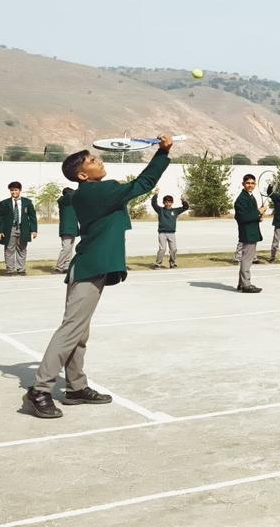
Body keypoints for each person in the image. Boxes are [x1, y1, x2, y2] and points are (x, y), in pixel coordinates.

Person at [24, 136, 172, 419]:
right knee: (71, 330)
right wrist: (162, 153)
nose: (99, 160)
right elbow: (143, 184)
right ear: (82, 175)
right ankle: (39, 390)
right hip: (89, 268)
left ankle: (76, 388)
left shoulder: (88, 193)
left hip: (92, 267)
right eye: (92, 160)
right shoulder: (99, 191)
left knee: (80, 333)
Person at [0, 181, 38, 275]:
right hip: (10, 229)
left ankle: (21, 270)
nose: (14, 192)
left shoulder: (27, 202)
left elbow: (32, 216)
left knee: (22, 249)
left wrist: (34, 230)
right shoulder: (4, 203)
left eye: (16, 190)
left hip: (23, 228)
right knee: (9, 249)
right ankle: (10, 270)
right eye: (12, 190)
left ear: (20, 190)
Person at [234, 174, 266, 293]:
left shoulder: (250, 196)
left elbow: (250, 214)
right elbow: (242, 217)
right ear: (243, 184)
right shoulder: (241, 199)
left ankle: (241, 284)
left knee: (246, 259)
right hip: (247, 233)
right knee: (247, 260)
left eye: (252, 183)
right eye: (248, 183)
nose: (250, 185)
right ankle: (246, 285)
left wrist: (258, 216)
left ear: (255, 184)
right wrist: (258, 212)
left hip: (251, 231)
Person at [150, 194, 190, 268]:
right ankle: (158, 264)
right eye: (166, 202)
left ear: (172, 203)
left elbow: (186, 207)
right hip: (162, 233)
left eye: (169, 202)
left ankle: (172, 264)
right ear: (163, 203)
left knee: (173, 249)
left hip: (171, 233)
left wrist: (183, 200)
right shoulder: (160, 210)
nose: (168, 204)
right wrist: (156, 194)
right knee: (162, 249)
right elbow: (153, 204)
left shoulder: (175, 211)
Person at [55, 188, 77, 274]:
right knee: (66, 248)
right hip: (66, 228)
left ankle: (66, 267)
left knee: (69, 249)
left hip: (73, 228)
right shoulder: (63, 201)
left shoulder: (71, 203)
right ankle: (59, 267)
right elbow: (69, 196)